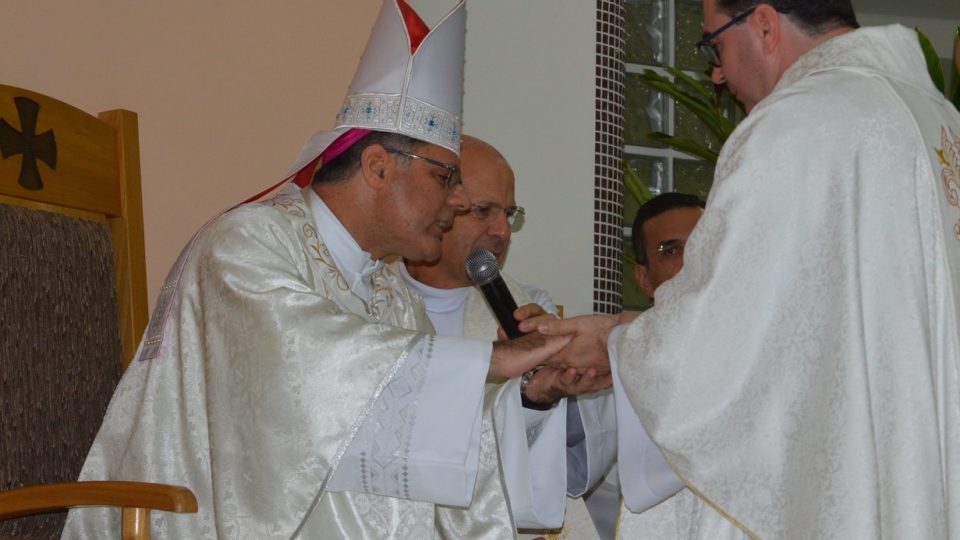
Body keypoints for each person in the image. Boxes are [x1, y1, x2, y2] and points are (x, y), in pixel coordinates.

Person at [62, 2, 579, 538]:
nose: (455, 202)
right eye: (447, 177)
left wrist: (526, 390)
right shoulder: (245, 245)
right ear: (378, 166)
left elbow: (417, 431)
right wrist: (490, 360)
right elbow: (306, 373)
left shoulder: (389, 292)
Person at [534, 1, 960, 537]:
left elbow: (717, 344)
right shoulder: (940, 122)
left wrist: (611, 343)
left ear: (764, 23)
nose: (716, 72)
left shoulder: (797, 123)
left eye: (714, 44)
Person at [397, 135, 618, 538]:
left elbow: (580, 456)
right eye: (483, 211)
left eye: (509, 214)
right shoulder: (371, 305)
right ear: (437, 205)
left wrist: (552, 389)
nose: (501, 231)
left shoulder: (529, 308)